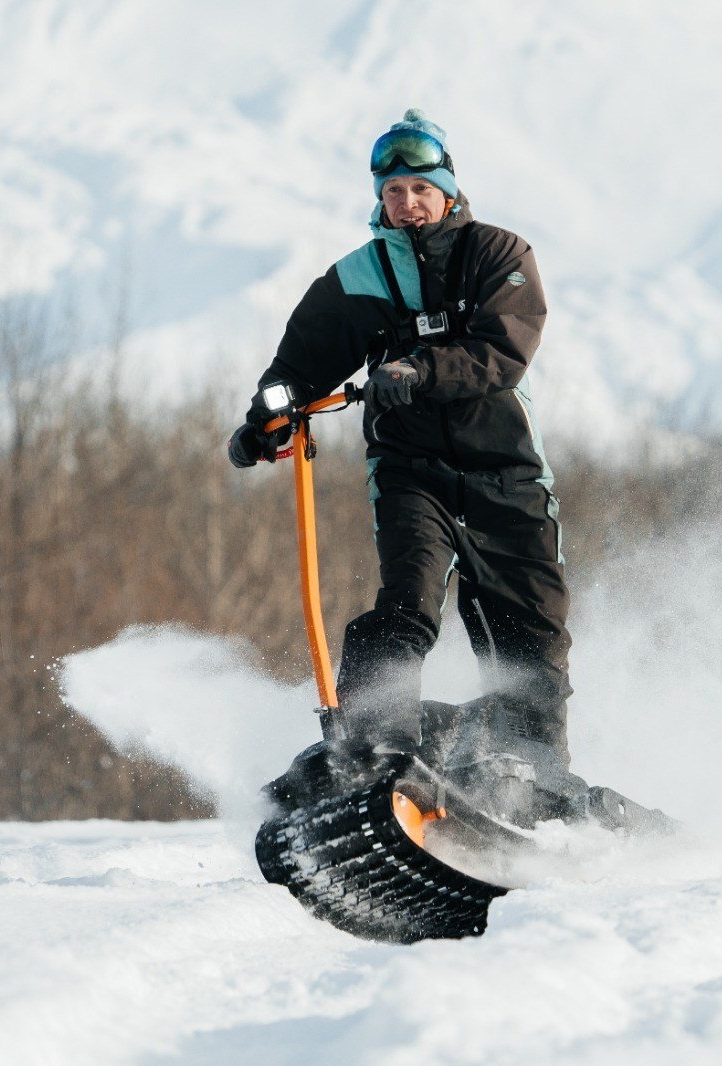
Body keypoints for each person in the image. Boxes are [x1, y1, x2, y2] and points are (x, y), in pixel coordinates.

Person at [227, 109, 582, 806]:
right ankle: (370, 748)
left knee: (528, 628)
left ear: (447, 190)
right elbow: (300, 362)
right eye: (394, 193)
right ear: (379, 200)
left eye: (421, 189)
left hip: (506, 474)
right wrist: (266, 417)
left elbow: (504, 350)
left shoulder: (499, 254)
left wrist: (421, 369)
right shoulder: (359, 276)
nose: (408, 204)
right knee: (406, 606)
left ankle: (535, 776)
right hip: (411, 474)